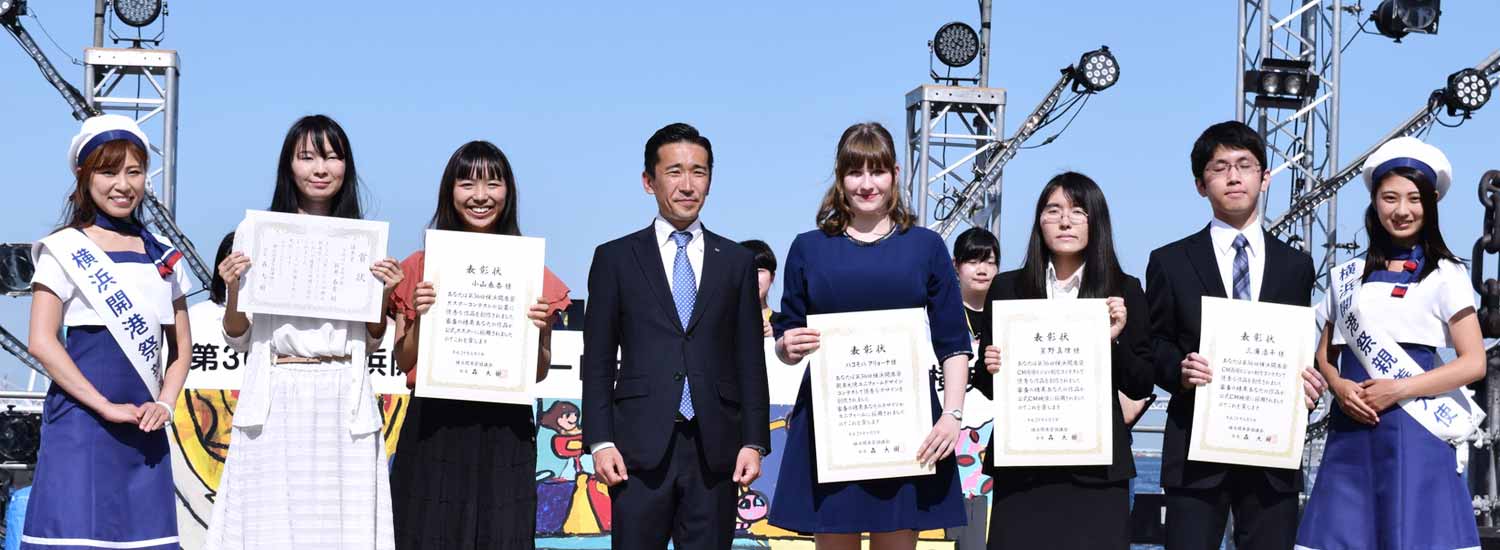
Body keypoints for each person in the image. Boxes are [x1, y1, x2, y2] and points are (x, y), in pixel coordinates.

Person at [768, 122, 970, 549]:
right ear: (840, 178)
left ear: (895, 174)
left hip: (907, 422)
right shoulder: (809, 248)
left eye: (876, 171)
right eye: (854, 172)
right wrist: (787, 345)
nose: (866, 184)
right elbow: (787, 334)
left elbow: (952, 341)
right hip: (833, 422)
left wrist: (951, 415)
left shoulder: (926, 246)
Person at [205, 115, 399, 549]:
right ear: (288, 166)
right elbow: (237, 335)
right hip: (277, 391)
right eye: (307, 157)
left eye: (332, 157)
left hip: (342, 394)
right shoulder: (255, 231)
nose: (320, 169)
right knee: (269, 526)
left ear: (346, 167)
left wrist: (384, 293)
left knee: (341, 529)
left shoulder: (365, 239)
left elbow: (371, 338)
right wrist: (234, 287)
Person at [580, 122, 771, 549]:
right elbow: (596, 360)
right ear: (649, 181)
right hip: (637, 449)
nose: (688, 184)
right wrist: (600, 441)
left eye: (699, 171)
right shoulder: (615, 258)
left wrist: (754, 441)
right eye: (674, 171)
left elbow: (749, 360)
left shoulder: (736, 261)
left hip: (716, 448)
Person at [1295, 137, 1485, 550]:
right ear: (1374, 203)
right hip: (1353, 427)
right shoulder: (1346, 277)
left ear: (1431, 202)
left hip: (1418, 428)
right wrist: (1339, 387)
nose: (1402, 210)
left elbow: (1473, 363)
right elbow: (1324, 355)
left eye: (1414, 199)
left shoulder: (1447, 275)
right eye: (1390, 198)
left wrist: (1398, 388)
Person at [1145, 120, 1325, 550]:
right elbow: (1151, 344)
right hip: (1196, 449)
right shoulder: (1169, 261)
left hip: (1271, 451)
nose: (1233, 176)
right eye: (1219, 167)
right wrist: (1180, 370)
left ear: (1264, 178)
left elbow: (1301, 347)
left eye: (1244, 165)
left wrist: (1311, 379)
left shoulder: (1296, 266)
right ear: (1199, 185)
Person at [386, 140, 571, 550]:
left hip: (504, 430)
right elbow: (403, 360)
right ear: (449, 192)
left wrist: (541, 331)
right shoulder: (419, 265)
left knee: (500, 536)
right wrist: (418, 316)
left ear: (509, 193)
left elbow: (539, 370)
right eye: (467, 183)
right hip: (435, 425)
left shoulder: (529, 270)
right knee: (425, 533)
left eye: (493, 184)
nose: (481, 196)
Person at [22, 114, 190, 550]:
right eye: (108, 171)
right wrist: (104, 406)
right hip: (80, 426)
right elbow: (41, 341)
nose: (122, 184)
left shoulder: (164, 257)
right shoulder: (63, 249)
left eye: (133, 171)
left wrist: (166, 406)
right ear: (83, 176)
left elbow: (181, 351)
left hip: (143, 430)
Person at [971, 172, 1154, 549]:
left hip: (1097, 474)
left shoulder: (1124, 290)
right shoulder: (1008, 288)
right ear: (1039, 221)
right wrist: (989, 365)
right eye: (1053, 210)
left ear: (1096, 222)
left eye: (1078, 211)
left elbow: (1140, 382)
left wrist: (1115, 341)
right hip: (1024, 469)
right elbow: (987, 385)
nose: (1065, 220)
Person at [951, 226, 998, 347]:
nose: (982, 270)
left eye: (990, 262)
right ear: (955, 265)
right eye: (973, 262)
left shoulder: (1007, 313)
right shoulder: (940, 313)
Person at [739, 239, 784, 336]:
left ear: (772, 277)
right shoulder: (722, 322)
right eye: (747, 270)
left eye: (760, 271)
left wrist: (776, 337)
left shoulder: (784, 323)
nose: (753, 277)